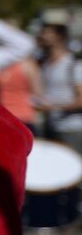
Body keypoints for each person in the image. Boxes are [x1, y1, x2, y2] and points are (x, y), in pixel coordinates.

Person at [38, 22, 82, 151]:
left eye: (47, 33)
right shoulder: (45, 63)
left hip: (72, 129)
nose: (42, 36)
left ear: (59, 37)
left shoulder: (74, 64)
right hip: (50, 127)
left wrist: (54, 107)